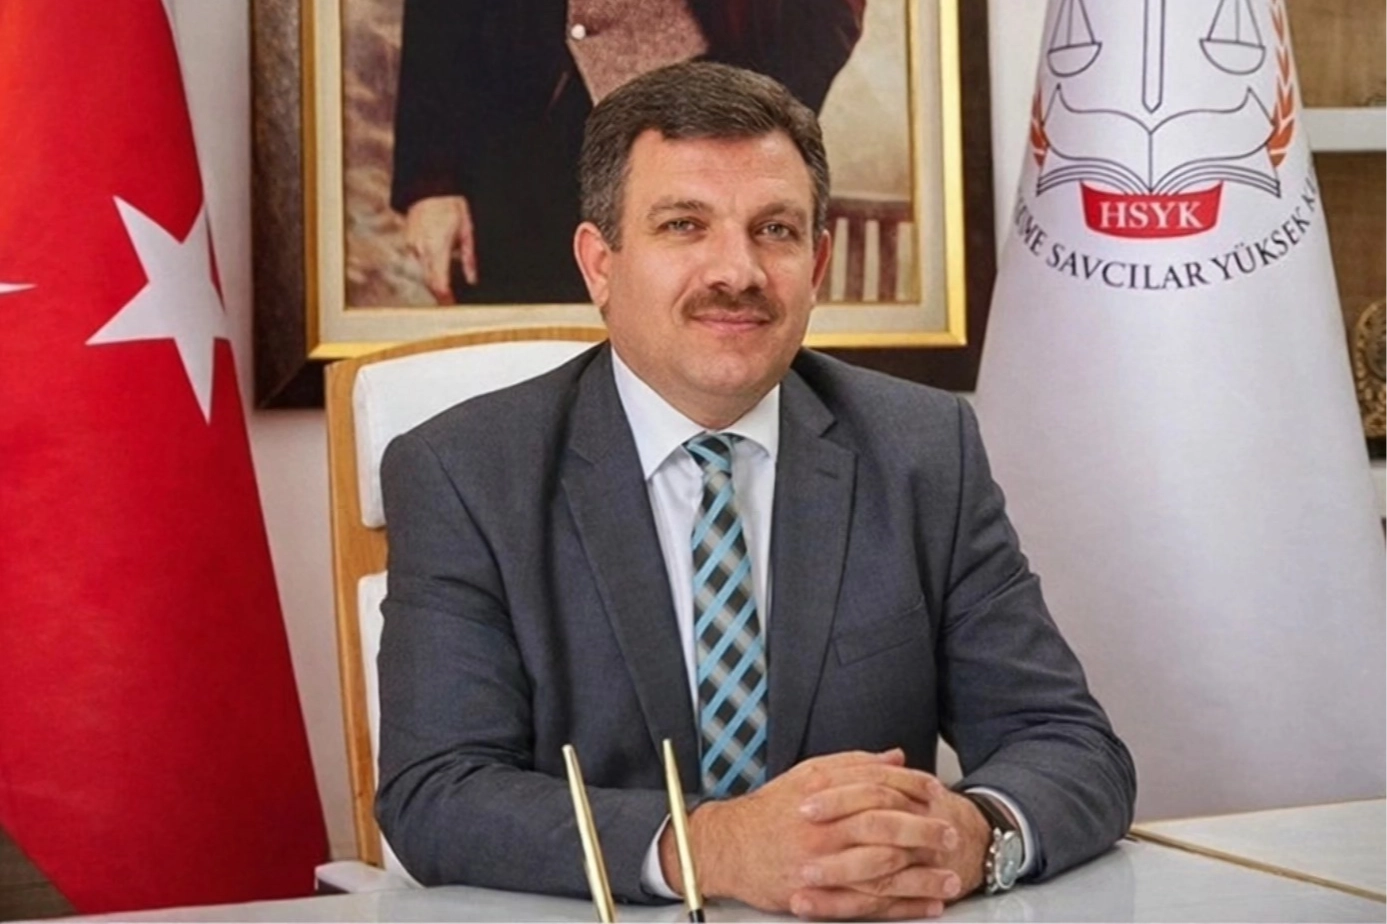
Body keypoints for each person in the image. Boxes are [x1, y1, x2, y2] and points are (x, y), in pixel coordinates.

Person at [376, 61, 1136, 919]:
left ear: (816, 263)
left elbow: (1070, 746)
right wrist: (716, 847)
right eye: (683, 225)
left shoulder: (922, 450)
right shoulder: (465, 472)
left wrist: (973, 835)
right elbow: (436, 792)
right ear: (600, 264)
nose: (735, 271)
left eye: (773, 230)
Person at [390, 0, 865, 305]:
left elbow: (827, 17)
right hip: (517, 141)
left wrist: (754, 114)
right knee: (523, 381)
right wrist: (432, 180)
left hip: (707, 115)